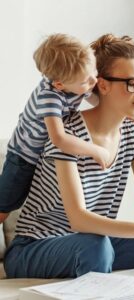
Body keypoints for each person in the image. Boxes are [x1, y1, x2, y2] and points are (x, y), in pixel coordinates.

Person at [4, 35, 134, 279]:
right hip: (35, 247)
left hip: (87, 245)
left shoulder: (133, 133)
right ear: (102, 85)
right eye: (133, 83)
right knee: (96, 246)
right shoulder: (67, 133)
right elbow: (78, 219)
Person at [0, 33, 110, 224]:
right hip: (23, 158)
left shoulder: (77, 82)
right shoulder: (49, 97)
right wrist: (95, 150)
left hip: (43, 158)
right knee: (5, 205)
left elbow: (100, 101)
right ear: (59, 84)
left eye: (95, 72)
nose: (94, 81)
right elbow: (59, 138)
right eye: (87, 80)